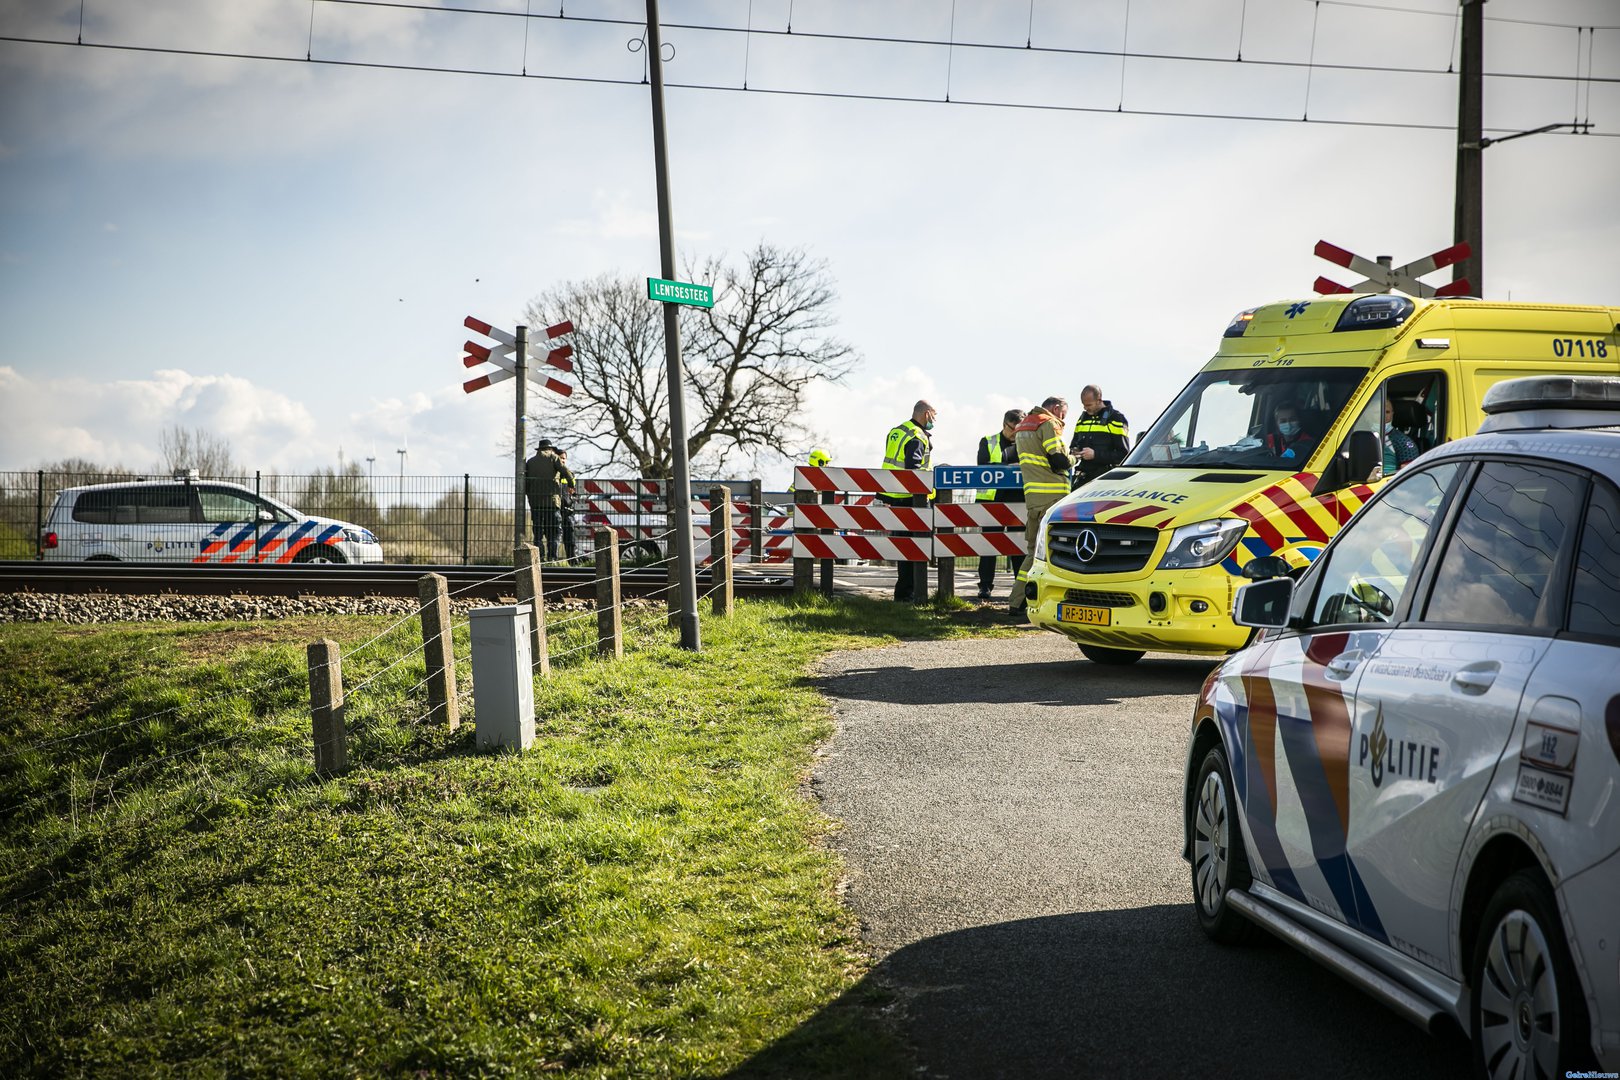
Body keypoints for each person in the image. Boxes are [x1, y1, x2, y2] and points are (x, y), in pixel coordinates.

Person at [1008, 397, 1072, 619]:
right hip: (1053, 497)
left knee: (1032, 552)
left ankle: (1016, 602)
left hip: (1033, 497)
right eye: (1063, 414)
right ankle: (1053, 602)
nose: (1063, 419)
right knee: (1057, 552)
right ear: (1056, 409)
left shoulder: (1023, 426)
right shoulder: (1048, 423)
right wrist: (1075, 457)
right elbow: (1058, 461)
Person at [880, 400, 935, 602]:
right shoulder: (916, 435)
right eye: (934, 415)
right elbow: (914, 469)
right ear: (927, 414)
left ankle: (903, 593)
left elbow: (890, 464)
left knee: (903, 548)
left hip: (894, 496)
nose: (934, 420)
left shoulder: (897, 431)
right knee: (916, 548)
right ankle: (912, 593)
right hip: (913, 499)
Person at [976, 409, 1024, 601]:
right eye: (1013, 429)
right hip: (992, 501)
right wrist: (1009, 469)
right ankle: (985, 586)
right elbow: (982, 466)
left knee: (1018, 547)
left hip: (1017, 501)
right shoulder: (988, 441)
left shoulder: (1026, 443)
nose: (1016, 433)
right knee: (989, 546)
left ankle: (1019, 588)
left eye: (1020, 429)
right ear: (1005, 425)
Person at [1068, 385, 1130, 489]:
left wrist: (1095, 455)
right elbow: (1074, 445)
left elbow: (1123, 455)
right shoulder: (1082, 419)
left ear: (1099, 399)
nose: (1086, 408)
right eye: (1084, 405)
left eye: (1089, 405)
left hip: (1104, 482)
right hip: (1082, 479)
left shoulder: (1116, 418)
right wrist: (1075, 451)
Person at [523, 438, 569, 559]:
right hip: (552, 503)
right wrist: (571, 484)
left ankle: (539, 557)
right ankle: (552, 558)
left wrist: (530, 498)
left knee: (538, 533)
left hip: (536, 503)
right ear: (550, 449)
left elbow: (526, 484)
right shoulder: (554, 458)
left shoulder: (530, 462)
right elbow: (565, 471)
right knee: (554, 531)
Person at [1382, 398, 1420, 477]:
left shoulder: (1403, 441)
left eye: (1387, 412)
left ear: (1393, 414)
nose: (1383, 416)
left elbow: (1408, 476)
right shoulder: (1359, 438)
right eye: (1378, 412)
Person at [555, 447, 579, 560]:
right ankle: (553, 560)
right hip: (556, 509)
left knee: (570, 537)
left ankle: (572, 560)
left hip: (567, 509)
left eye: (564, 458)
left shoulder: (570, 474)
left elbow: (572, 491)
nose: (562, 460)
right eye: (560, 458)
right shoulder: (553, 474)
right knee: (555, 536)